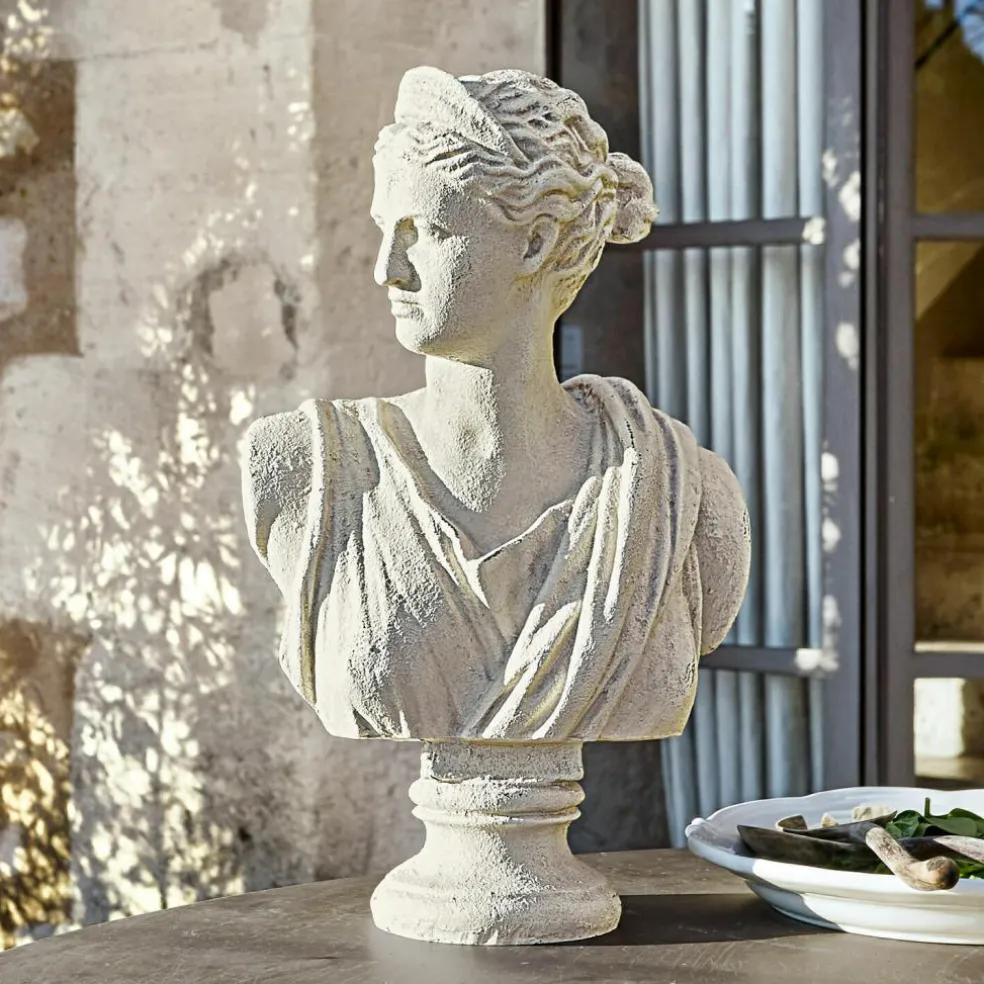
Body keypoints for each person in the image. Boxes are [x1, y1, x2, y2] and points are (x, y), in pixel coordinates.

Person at [242, 66, 750, 742]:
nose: (387, 268)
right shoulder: (303, 469)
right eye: (384, 229)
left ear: (534, 241)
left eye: (425, 230)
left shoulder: (680, 493)